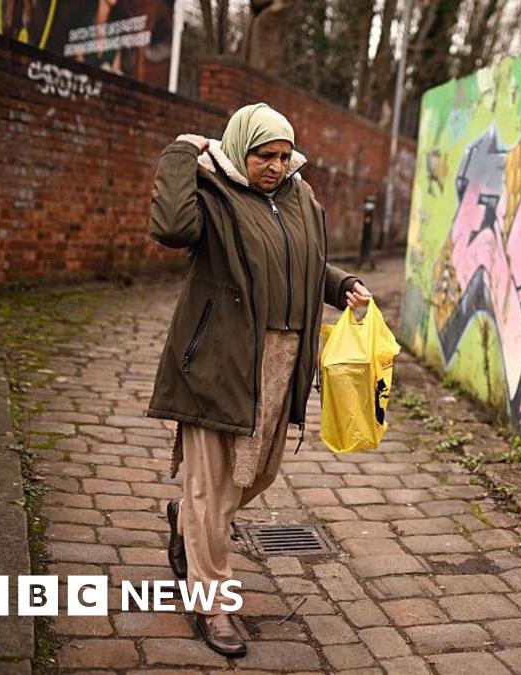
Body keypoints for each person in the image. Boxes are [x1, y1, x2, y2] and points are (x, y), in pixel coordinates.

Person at [145, 103, 370, 656]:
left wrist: (342, 286)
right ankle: (212, 604)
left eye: (283, 154)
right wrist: (180, 154)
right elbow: (171, 230)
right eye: (263, 155)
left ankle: (188, 526)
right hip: (219, 363)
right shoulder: (212, 192)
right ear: (239, 148)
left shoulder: (301, 197)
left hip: (283, 362)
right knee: (211, 487)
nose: (275, 165)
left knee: (256, 475)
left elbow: (307, 263)